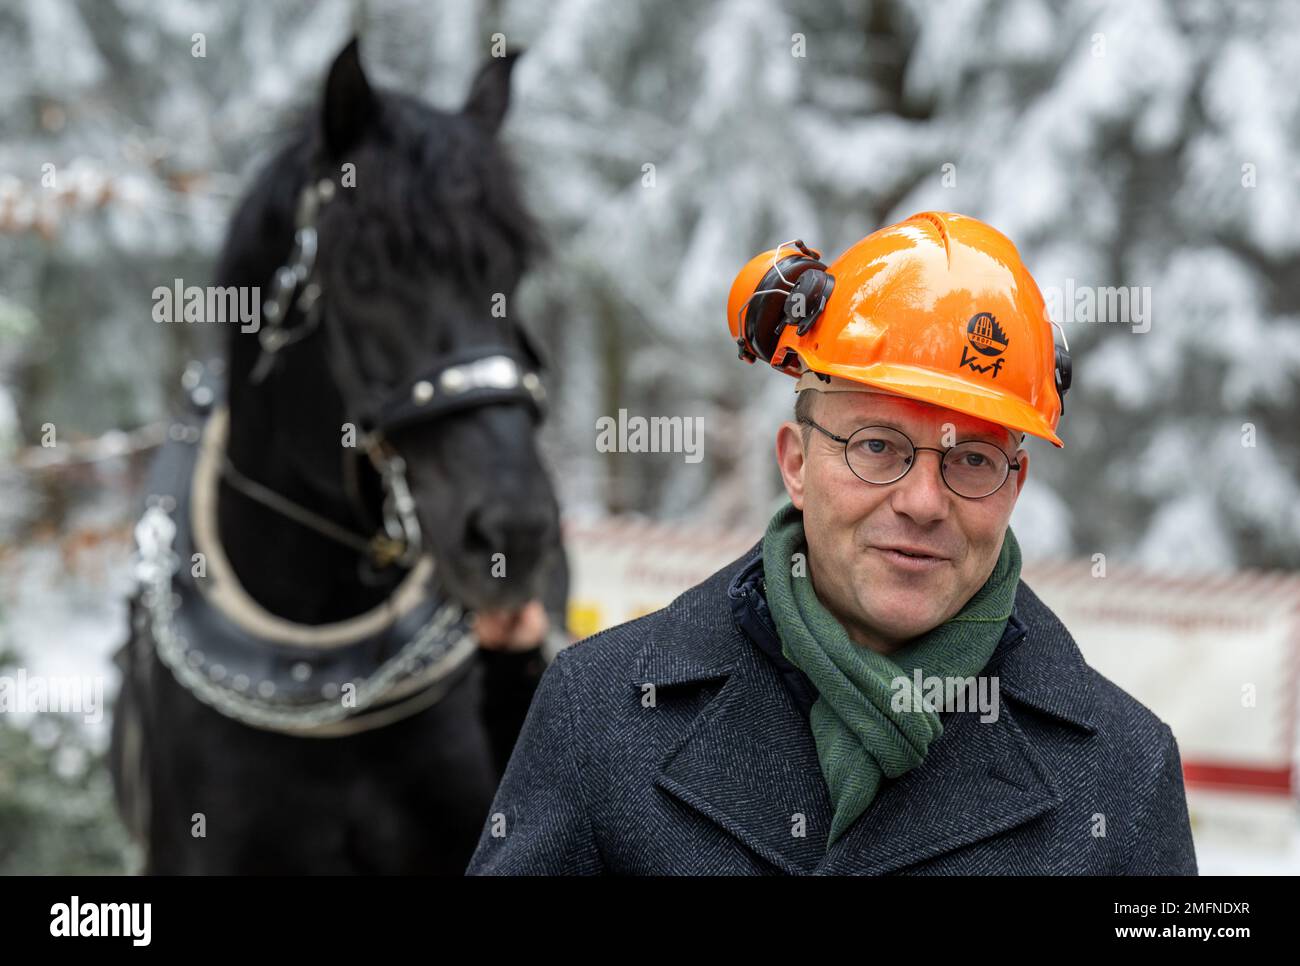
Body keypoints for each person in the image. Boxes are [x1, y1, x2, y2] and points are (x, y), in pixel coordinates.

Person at [466, 211, 1198, 875]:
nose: (922, 503)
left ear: (1015, 484)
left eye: (972, 459)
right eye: (877, 447)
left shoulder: (1123, 775)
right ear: (794, 462)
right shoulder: (599, 714)